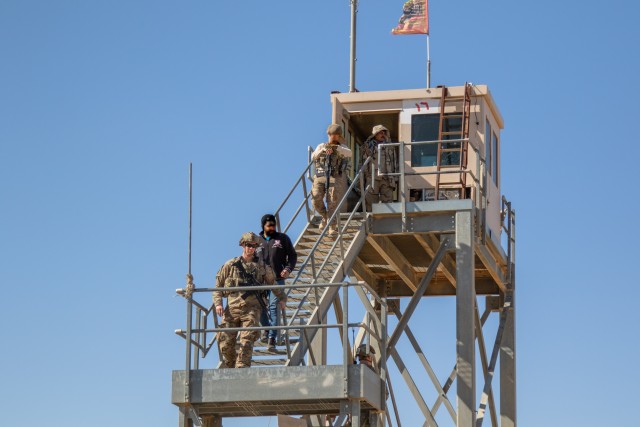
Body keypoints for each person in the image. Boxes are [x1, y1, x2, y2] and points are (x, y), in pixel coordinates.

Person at [213, 232, 286, 368]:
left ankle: (242, 369)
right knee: (224, 341)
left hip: (252, 310)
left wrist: (282, 298)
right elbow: (218, 286)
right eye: (248, 245)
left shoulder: (262, 267)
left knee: (247, 341)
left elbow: (273, 283)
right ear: (242, 245)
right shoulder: (230, 265)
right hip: (232, 309)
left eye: (253, 246)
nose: (250, 248)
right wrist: (218, 304)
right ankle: (230, 365)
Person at [257, 214, 297, 351]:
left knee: (274, 307)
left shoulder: (283, 238)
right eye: (269, 225)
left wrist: (288, 269)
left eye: (274, 225)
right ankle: (267, 329)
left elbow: (292, 256)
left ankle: (272, 338)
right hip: (260, 281)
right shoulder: (256, 241)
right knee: (261, 307)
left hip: (277, 280)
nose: (272, 227)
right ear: (263, 226)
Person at [311, 124, 353, 235]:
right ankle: (325, 217)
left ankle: (332, 227)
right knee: (315, 199)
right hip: (320, 176)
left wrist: (337, 149)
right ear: (329, 135)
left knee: (332, 203)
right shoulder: (321, 146)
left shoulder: (341, 147)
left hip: (334, 176)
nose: (334, 137)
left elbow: (349, 153)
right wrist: (323, 150)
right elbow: (314, 157)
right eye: (332, 135)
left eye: (336, 135)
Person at [360, 124, 398, 211]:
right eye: (380, 132)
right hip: (372, 176)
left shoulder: (390, 146)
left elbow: (394, 162)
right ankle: (371, 221)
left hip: (387, 177)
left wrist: (395, 178)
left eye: (384, 132)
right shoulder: (367, 147)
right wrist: (362, 178)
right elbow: (362, 163)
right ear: (375, 134)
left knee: (388, 200)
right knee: (370, 201)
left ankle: (386, 220)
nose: (382, 134)